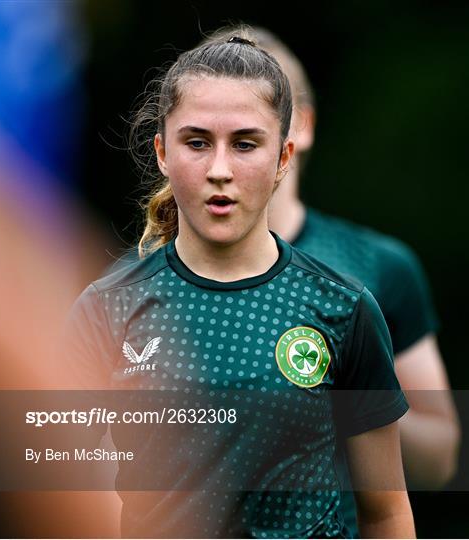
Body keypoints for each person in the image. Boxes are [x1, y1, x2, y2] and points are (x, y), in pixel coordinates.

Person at [63, 27, 415, 538]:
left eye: (246, 143)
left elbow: (386, 513)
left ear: (283, 159)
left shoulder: (345, 308)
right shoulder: (107, 310)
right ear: (163, 152)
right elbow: (61, 506)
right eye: (197, 142)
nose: (220, 170)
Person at [203, 23, 461, 535]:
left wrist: (341, 401)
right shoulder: (140, 283)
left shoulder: (375, 268)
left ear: (302, 128)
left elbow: (440, 459)